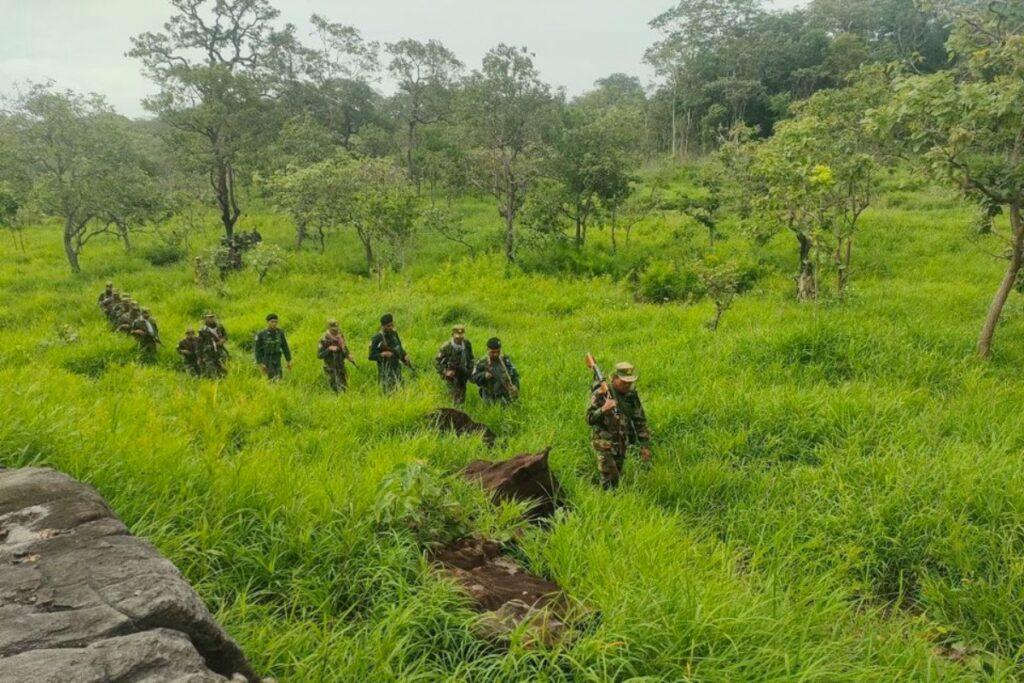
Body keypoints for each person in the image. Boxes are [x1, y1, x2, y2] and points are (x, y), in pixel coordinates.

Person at [586, 362, 652, 489]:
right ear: (615, 378)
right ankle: (605, 502)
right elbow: (589, 419)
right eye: (623, 382)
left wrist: (644, 445)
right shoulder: (601, 393)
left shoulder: (631, 395)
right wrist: (603, 409)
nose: (627, 385)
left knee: (616, 478)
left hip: (621, 443)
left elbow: (640, 420)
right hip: (604, 443)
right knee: (610, 480)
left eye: (630, 382)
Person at [369, 313, 413, 392]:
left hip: (396, 366)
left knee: (400, 389)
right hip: (385, 370)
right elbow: (371, 356)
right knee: (388, 391)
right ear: (383, 326)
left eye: (392, 325)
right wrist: (382, 354)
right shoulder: (377, 337)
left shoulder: (394, 333)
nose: (391, 327)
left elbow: (398, 347)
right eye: (388, 326)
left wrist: (404, 356)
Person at [471, 337, 520, 404]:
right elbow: (473, 378)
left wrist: (515, 386)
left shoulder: (505, 360)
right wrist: (484, 375)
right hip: (489, 395)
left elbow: (515, 375)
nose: (496, 354)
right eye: (493, 352)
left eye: (498, 351)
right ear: (487, 350)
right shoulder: (482, 363)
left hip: (505, 394)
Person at [434, 325, 475, 405]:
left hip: (463, 374)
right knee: (453, 397)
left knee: (462, 395)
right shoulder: (446, 346)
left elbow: (471, 358)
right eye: (457, 338)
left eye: (461, 338)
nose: (459, 340)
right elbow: (436, 362)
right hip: (451, 376)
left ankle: (461, 410)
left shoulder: (467, 344)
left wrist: (471, 369)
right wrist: (445, 372)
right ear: (452, 335)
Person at [318, 319, 355, 392]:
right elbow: (319, 355)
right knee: (335, 390)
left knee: (345, 388)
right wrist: (329, 349)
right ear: (328, 328)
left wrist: (348, 355)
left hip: (341, 365)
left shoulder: (340, 336)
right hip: (330, 367)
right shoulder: (323, 339)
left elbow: (344, 347)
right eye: (333, 330)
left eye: (337, 329)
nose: (336, 332)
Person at [253, 313, 292, 381]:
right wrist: (260, 363)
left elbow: (285, 347)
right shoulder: (261, 334)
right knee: (269, 379)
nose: (274, 323)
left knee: (279, 378)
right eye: (272, 322)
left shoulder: (280, 333)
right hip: (267, 359)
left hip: (277, 358)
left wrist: (288, 360)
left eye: (276, 322)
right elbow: (257, 350)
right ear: (267, 322)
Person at [197, 311, 228, 378]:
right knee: (212, 371)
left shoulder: (219, 326)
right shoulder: (202, 330)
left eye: (213, 317)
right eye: (209, 317)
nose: (212, 318)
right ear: (205, 318)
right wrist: (199, 357)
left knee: (224, 369)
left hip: (220, 351)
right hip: (209, 353)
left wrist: (223, 340)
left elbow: (225, 336)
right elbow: (199, 345)